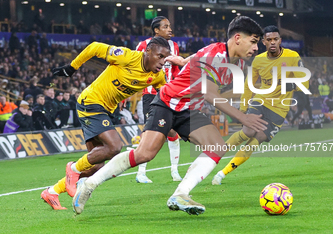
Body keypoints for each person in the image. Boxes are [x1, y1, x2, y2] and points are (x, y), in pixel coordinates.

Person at [72, 16, 267, 215]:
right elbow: (210, 94)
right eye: (253, 42)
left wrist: (183, 61)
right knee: (144, 154)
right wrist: (243, 118)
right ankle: (88, 184)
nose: (256, 48)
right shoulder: (215, 55)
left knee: (217, 146)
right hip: (167, 102)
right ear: (237, 38)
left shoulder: (236, 62)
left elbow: (197, 58)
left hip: (189, 110)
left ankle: (180, 194)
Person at [41, 37, 172, 210]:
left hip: (105, 109)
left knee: (96, 167)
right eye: (160, 56)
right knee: (114, 146)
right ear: (147, 51)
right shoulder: (126, 57)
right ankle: (73, 168)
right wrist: (72, 67)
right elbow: (94, 47)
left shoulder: (157, 76)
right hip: (91, 102)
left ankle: (52, 191)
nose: (162, 62)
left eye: (165, 58)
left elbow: (166, 95)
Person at [212, 25, 309, 185]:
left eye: (275, 39)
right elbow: (249, 85)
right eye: (269, 39)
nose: (272, 42)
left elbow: (304, 81)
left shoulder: (292, 56)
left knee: (256, 140)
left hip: (279, 110)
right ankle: (214, 156)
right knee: (248, 130)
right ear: (263, 41)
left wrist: (287, 84)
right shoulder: (258, 60)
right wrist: (243, 109)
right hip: (260, 101)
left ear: (280, 40)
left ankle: (222, 173)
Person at [135, 16, 182, 183]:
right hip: (150, 93)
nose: (170, 29)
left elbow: (175, 72)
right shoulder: (144, 45)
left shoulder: (174, 46)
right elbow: (134, 68)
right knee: (151, 131)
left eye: (170, 26)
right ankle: (141, 172)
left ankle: (175, 171)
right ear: (156, 30)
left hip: (168, 93)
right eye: (166, 26)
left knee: (172, 133)